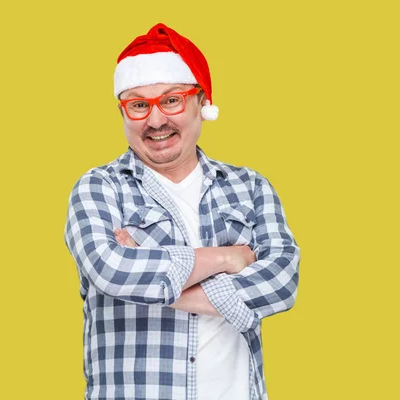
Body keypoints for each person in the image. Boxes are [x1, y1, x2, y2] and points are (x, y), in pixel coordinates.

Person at [64, 23, 300, 400]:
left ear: (201, 102)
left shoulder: (250, 187)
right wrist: (227, 257)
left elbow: (282, 282)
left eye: (171, 100)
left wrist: (152, 276)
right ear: (123, 112)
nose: (156, 121)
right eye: (139, 105)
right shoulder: (98, 188)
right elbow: (111, 269)